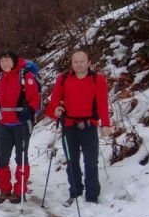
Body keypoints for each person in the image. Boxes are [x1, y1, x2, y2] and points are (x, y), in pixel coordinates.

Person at [47, 50, 111, 205]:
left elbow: (102, 103)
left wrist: (106, 124)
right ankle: (75, 192)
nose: (78, 64)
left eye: (82, 61)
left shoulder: (97, 79)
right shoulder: (63, 78)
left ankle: (92, 196)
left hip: (89, 125)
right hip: (69, 125)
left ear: (89, 63)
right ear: (72, 63)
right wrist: (55, 109)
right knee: (71, 160)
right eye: (75, 61)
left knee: (91, 161)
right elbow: (55, 99)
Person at [0, 50, 40, 204]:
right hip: (5, 124)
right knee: (1, 159)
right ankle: (5, 189)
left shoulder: (25, 76)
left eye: (7, 60)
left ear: (14, 61)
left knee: (21, 158)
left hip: (21, 124)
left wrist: (30, 111)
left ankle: (19, 191)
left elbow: (35, 98)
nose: (5, 63)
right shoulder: (0, 77)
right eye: (2, 61)